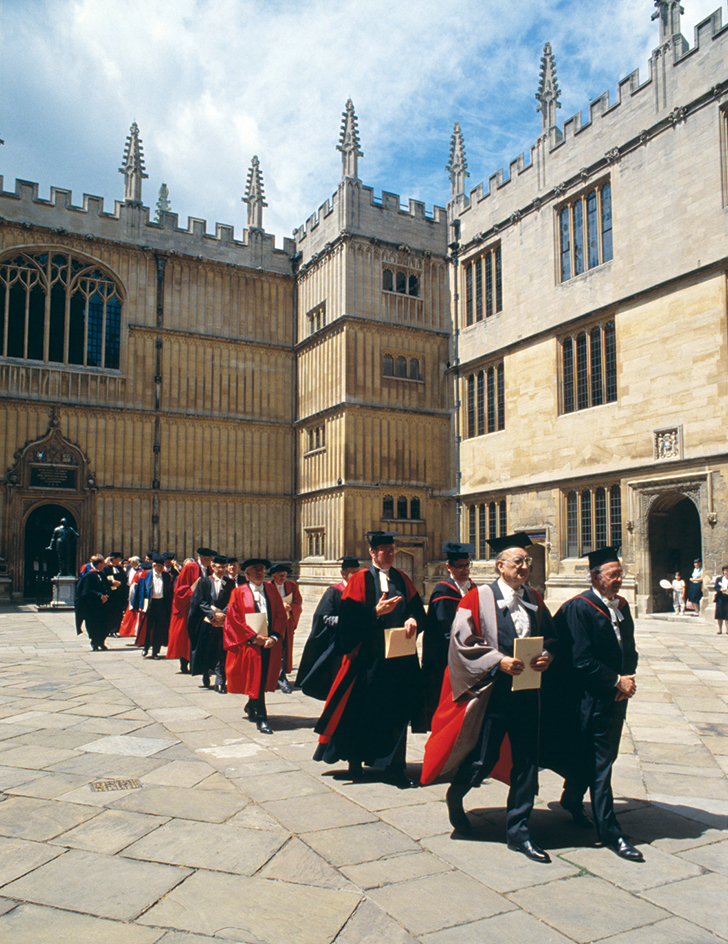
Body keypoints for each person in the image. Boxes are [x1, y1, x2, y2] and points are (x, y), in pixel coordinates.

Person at [422, 532, 555, 862]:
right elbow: (461, 642)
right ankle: (456, 795)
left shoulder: (535, 598)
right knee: (482, 759)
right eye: (518, 561)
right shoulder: (477, 598)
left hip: (527, 693)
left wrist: (547, 656)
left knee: (526, 762)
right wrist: (499, 660)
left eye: (528, 562)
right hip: (493, 695)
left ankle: (519, 831)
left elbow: (552, 638)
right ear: (500, 566)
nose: (525, 567)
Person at [314, 531, 426, 788]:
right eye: (385, 550)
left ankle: (396, 767)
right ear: (372, 553)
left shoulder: (402, 578)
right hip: (368, 658)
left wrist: (413, 619)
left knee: (398, 712)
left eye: (393, 550)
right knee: (361, 711)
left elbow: (417, 610)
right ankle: (356, 762)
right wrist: (373, 613)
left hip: (398, 658)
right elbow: (348, 623)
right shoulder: (360, 580)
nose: (390, 554)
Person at [555, 547, 643, 862]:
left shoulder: (621, 606)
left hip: (616, 695)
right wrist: (614, 681)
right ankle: (610, 832)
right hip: (590, 698)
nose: (619, 580)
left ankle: (571, 798)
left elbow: (629, 648)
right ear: (595, 577)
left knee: (602, 756)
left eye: (620, 573)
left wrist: (628, 677)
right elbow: (580, 660)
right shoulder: (581, 608)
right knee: (601, 765)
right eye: (613, 575)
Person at [223, 558, 287, 733]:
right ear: (247, 574)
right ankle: (262, 718)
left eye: (261, 569)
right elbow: (233, 619)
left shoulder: (271, 590)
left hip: (269, 642)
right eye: (254, 569)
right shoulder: (238, 592)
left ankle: (251, 705)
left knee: (263, 677)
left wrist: (274, 637)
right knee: (257, 678)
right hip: (251, 644)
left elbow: (281, 615)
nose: (259, 572)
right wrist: (253, 637)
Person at [421, 542, 475, 730]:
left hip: (468, 654)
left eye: (467, 565)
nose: (464, 570)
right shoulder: (443, 590)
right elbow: (446, 628)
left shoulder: (473, 588)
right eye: (459, 566)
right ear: (449, 567)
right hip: (445, 657)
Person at [295, 557, 361, 700]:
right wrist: (345, 622)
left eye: (358, 571)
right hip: (339, 644)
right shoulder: (334, 591)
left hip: (358, 642)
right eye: (352, 572)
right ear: (343, 574)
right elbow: (324, 617)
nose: (356, 575)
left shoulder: (362, 591)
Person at [189, 556, 236, 691]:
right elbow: (200, 600)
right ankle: (205, 672)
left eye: (223, 567)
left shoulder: (230, 583)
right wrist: (212, 615)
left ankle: (220, 681)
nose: (221, 570)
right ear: (213, 567)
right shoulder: (204, 581)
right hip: (207, 621)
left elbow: (232, 601)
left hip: (223, 622)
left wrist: (222, 615)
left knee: (222, 651)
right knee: (206, 649)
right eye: (218, 567)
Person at [166, 547, 216, 673]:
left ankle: (202, 664)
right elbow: (180, 589)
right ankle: (184, 663)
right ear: (204, 558)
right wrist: (195, 594)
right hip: (190, 607)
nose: (212, 561)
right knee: (186, 636)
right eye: (210, 558)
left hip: (204, 607)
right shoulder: (190, 568)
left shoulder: (209, 569)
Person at [267, 564, 303, 694]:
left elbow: (298, 601)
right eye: (280, 575)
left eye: (285, 575)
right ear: (273, 575)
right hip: (272, 624)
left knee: (284, 649)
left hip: (286, 623)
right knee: (274, 650)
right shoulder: (268, 587)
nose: (283, 578)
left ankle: (281, 677)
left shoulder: (291, 586)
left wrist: (291, 607)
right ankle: (273, 677)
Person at [131, 553, 174, 659]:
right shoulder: (146, 575)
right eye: (157, 566)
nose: (159, 568)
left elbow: (169, 592)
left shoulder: (166, 576)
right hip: (150, 604)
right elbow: (140, 591)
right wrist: (139, 605)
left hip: (161, 605)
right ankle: (146, 647)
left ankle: (155, 651)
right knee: (148, 627)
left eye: (161, 567)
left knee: (159, 629)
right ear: (153, 566)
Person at [74, 554, 112, 651]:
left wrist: (106, 595)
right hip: (93, 606)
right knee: (94, 624)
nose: (104, 565)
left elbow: (106, 586)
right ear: (99, 564)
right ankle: (95, 642)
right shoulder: (89, 576)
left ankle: (102, 641)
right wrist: (99, 595)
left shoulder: (102, 574)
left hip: (103, 605)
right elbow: (87, 591)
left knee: (104, 623)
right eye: (103, 563)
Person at [102, 552, 126, 637]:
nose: (120, 560)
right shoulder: (106, 568)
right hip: (110, 594)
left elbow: (124, 579)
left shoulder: (120, 569)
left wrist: (120, 583)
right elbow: (103, 580)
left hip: (119, 594)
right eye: (119, 558)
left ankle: (115, 630)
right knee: (110, 612)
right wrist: (112, 582)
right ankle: (108, 629)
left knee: (118, 612)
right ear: (114, 559)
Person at [714, 565, 728, 634]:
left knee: (727, 615)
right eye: (725, 571)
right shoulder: (719, 579)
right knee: (719, 614)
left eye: (727, 571)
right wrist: (720, 589)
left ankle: (727, 630)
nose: (726, 572)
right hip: (720, 598)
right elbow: (715, 587)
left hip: (727, 599)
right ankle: (720, 629)